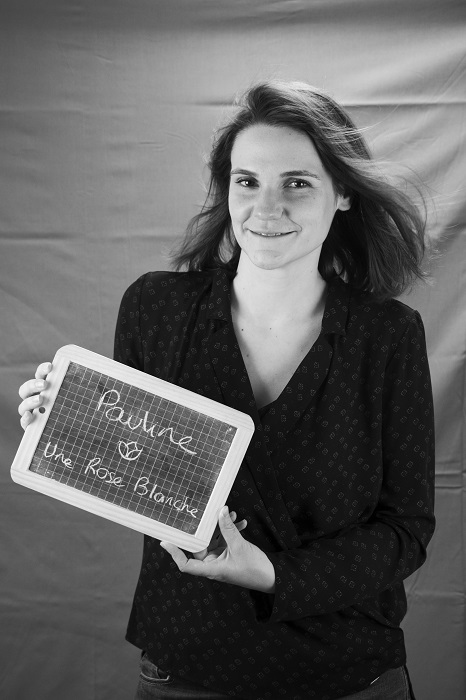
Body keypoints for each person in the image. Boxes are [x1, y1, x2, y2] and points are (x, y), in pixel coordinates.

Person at [18, 81, 435, 700]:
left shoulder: (388, 334)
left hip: (348, 670)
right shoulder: (155, 308)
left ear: (343, 193)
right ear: (227, 189)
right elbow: (141, 477)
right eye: (247, 181)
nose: (266, 209)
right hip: (186, 662)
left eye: (297, 183)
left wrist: (271, 574)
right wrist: (69, 426)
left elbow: (406, 529)